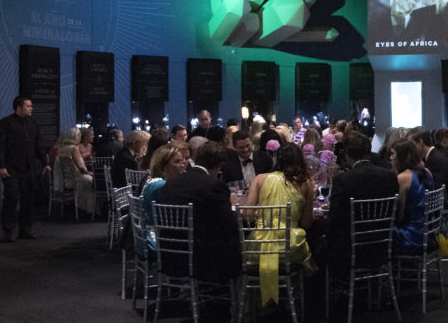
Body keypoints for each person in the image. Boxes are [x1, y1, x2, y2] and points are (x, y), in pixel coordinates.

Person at [241, 143, 317, 306]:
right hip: (289, 248)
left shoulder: (260, 179)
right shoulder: (306, 184)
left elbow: (248, 215)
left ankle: (262, 303)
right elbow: (306, 223)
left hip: (259, 246)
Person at [155, 140, 241, 284]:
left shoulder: (170, 184)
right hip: (200, 259)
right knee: (236, 239)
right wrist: (235, 208)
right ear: (218, 166)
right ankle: (234, 294)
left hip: (168, 254)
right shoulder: (213, 185)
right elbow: (229, 224)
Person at [327, 131, 399, 270]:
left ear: (347, 154)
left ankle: (331, 288)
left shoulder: (343, 180)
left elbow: (334, 219)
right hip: (383, 245)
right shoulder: (389, 176)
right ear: (368, 151)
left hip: (351, 249)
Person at [0, 96, 48, 241]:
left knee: (28, 199)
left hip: (29, 167)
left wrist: (45, 162)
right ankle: (8, 230)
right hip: (11, 167)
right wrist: (1, 166)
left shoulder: (33, 123)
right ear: (19, 107)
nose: (31, 108)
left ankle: (25, 229)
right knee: (11, 197)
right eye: (28, 106)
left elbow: (38, 144)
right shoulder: (6, 123)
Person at [140, 143, 188, 251]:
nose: (183, 164)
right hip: (156, 240)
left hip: (148, 235)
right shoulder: (161, 185)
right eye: (177, 161)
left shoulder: (155, 180)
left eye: (183, 160)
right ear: (163, 166)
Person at [390, 139, 434, 252]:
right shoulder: (427, 172)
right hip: (429, 233)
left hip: (410, 237)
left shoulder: (403, 178)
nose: (390, 158)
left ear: (401, 156)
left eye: (393, 154)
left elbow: (399, 216)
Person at [408, 127, 448, 210]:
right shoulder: (433, 156)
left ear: (420, 142)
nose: (410, 149)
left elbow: (434, 192)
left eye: (411, 145)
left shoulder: (436, 159)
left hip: (442, 212)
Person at [57, 127, 96, 216]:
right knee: (95, 183)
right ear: (75, 137)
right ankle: (90, 210)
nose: (80, 138)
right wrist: (88, 173)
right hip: (77, 178)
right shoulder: (74, 148)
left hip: (67, 179)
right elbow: (80, 167)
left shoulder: (63, 148)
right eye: (79, 136)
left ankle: (84, 208)